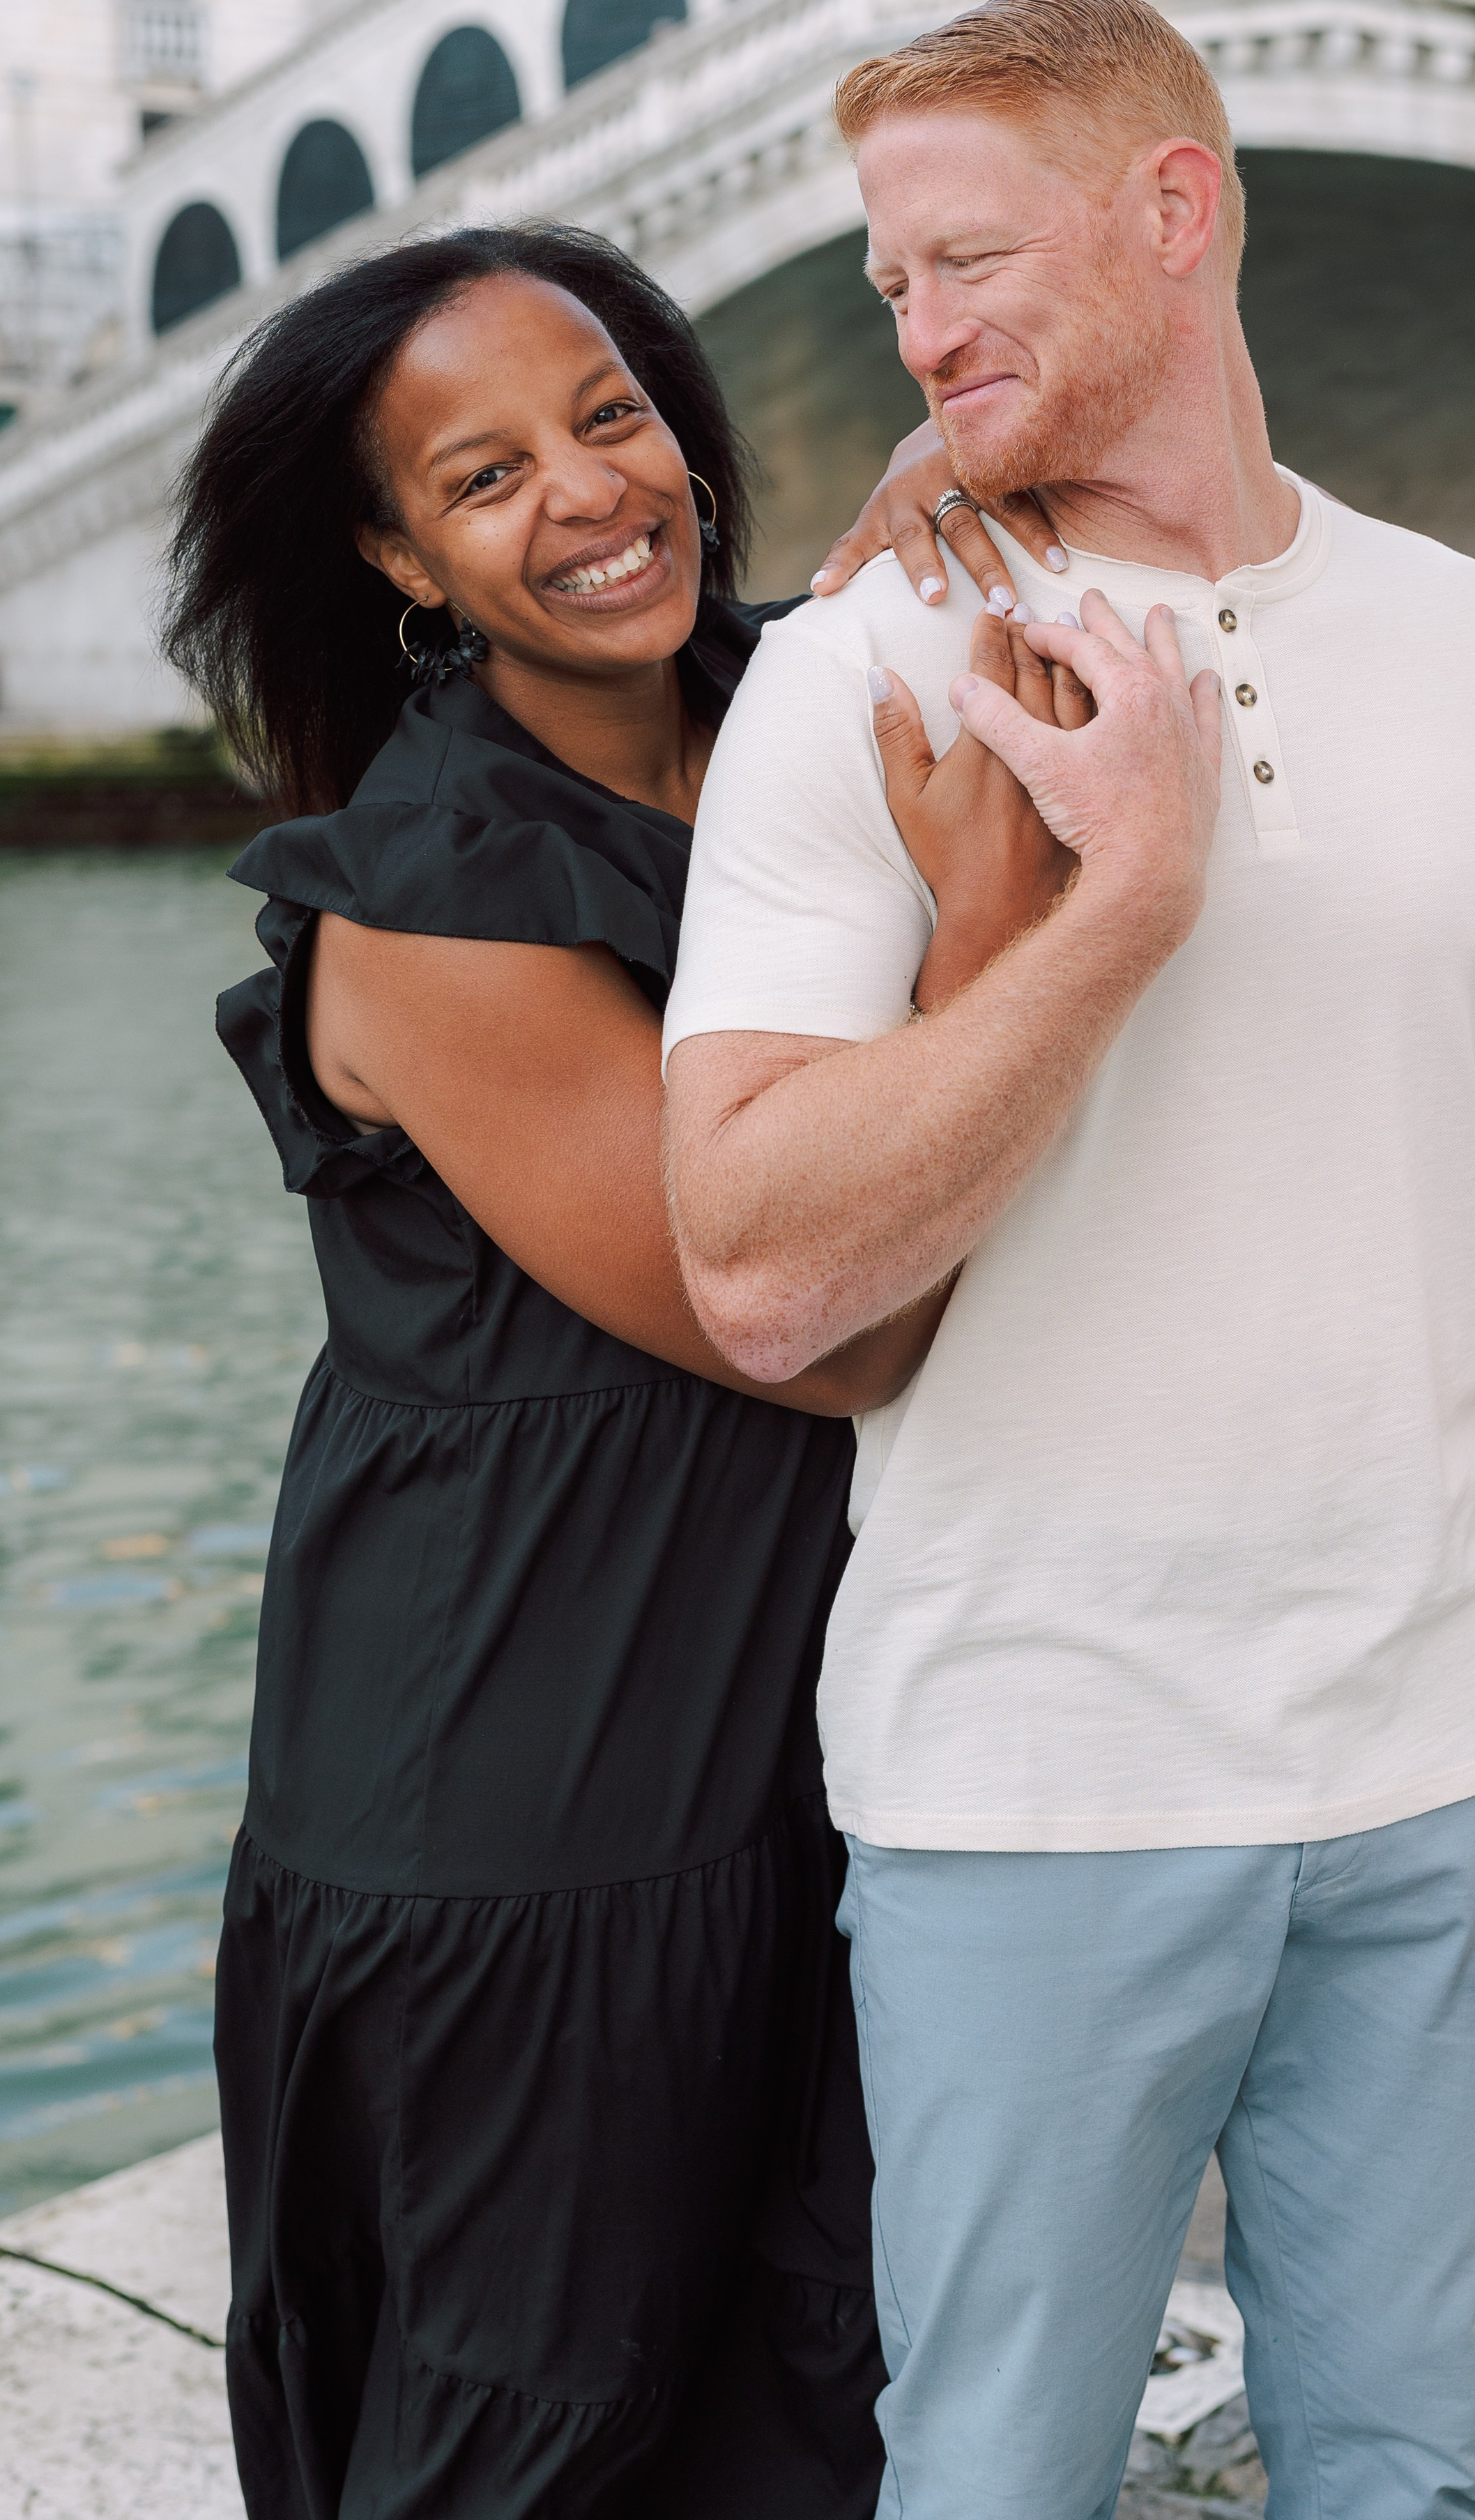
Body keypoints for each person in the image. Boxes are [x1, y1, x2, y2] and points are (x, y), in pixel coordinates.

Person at [662, 0, 1475, 2519]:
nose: (922, 327)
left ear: (1177, 206)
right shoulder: (861, 672)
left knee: (1407, 2480)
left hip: (1446, 1774)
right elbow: (762, 1272)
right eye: (896, 282)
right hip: (1034, 1776)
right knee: (995, 2485)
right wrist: (1121, 901)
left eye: (971, 256)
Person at [162, 222, 1063, 2520]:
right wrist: (992, 938)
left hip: (797, 1746)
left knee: (812, 2397)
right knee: (535, 2439)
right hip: (523, 1798)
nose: (588, 493)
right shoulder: (435, 907)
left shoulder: (806, 706)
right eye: (482, 477)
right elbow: (827, 1318)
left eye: (610, 416)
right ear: (397, 556)